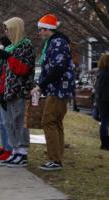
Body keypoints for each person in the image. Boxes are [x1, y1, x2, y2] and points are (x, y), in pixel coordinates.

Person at [31, 14, 75, 171]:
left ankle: (55, 160)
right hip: (57, 88)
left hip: (59, 89)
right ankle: (57, 157)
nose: (39, 33)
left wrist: (41, 85)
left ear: (47, 29)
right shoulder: (54, 42)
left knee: (48, 121)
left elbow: (58, 68)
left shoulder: (57, 42)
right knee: (56, 122)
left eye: (40, 29)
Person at [0, 17, 35, 168]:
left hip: (19, 91)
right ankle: (15, 151)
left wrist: (9, 57)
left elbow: (23, 69)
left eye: (7, 29)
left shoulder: (25, 46)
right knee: (8, 123)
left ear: (15, 29)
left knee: (19, 123)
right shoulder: (10, 48)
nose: (6, 32)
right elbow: (4, 73)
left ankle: (23, 153)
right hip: (7, 92)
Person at [0, 36, 13, 161]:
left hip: (5, 93)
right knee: (1, 122)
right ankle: (6, 146)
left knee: (7, 122)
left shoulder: (7, 58)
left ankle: (10, 148)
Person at [95, 53, 109, 150]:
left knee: (104, 121)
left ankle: (104, 143)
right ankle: (106, 143)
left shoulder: (100, 73)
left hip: (101, 100)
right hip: (106, 99)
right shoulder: (107, 73)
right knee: (105, 122)